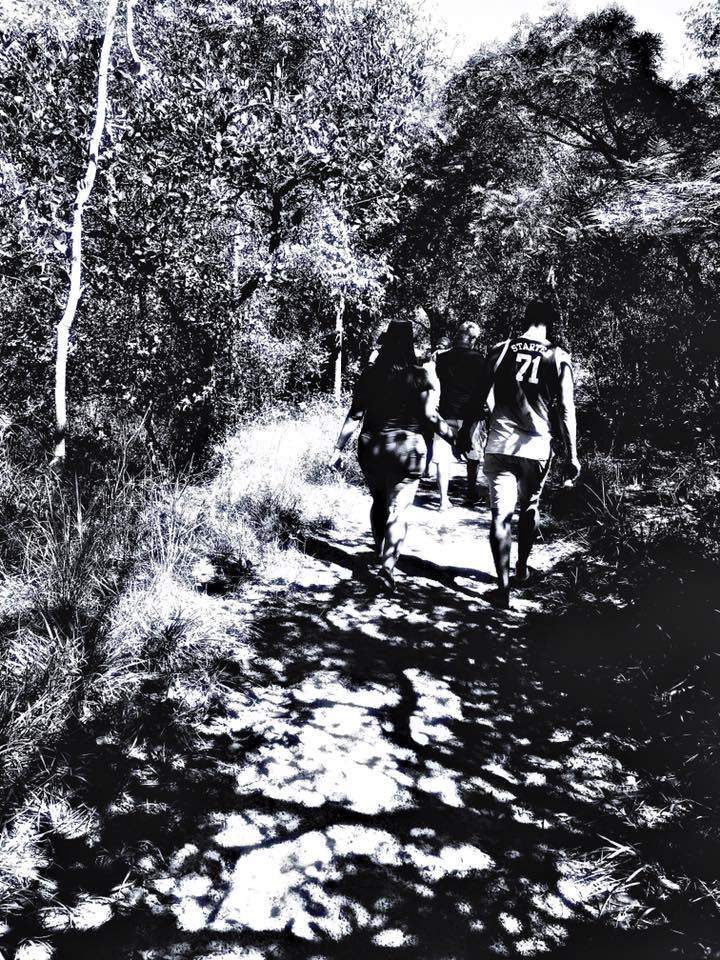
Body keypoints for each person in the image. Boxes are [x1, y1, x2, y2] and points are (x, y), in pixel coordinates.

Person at [456, 299, 580, 608]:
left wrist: (465, 431)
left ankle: (503, 588)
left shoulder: (499, 350)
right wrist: (572, 455)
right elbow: (566, 408)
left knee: (500, 515)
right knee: (529, 507)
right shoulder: (558, 356)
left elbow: (477, 397)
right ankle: (522, 568)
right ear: (550, 322)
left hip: (500, 445)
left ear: (524, 318)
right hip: (536, 448)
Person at [329, 319, 456, 592]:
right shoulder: (420, 376)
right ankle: (387, 569)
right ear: (410, 346)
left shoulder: (370, 374)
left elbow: (354, 415)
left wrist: (337, 449)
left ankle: (379, 553)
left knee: (379, 501)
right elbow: (430, 416)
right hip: (408, 451)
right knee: (399, 509)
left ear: (385, 343)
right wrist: (455, 439)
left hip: (372, 448)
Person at [432, 321, 485, 509]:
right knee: (473, 455)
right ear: (473, 339)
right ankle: (471, 493)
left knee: (442, 457)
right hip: (471, 415)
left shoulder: (441, 358)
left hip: (446, 412)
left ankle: (443, 500)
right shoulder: (480, 360)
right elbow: (481, 391)